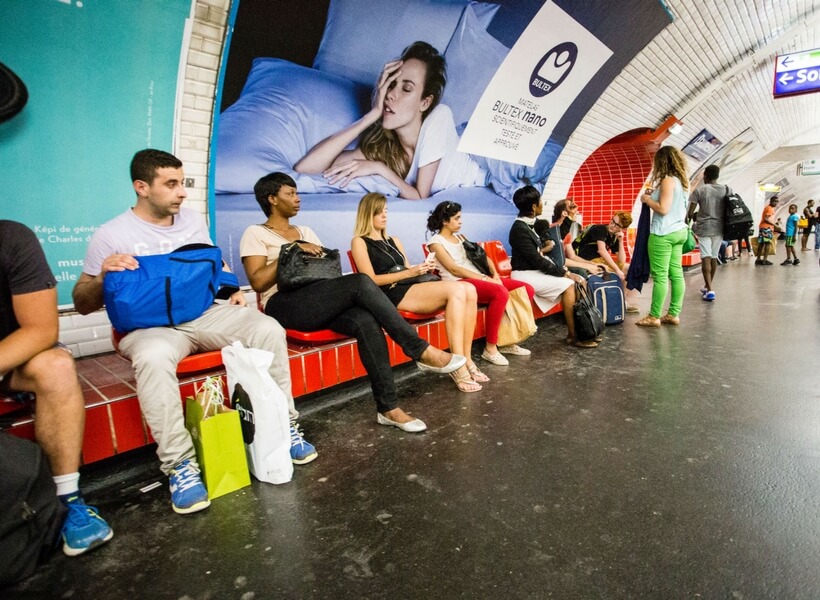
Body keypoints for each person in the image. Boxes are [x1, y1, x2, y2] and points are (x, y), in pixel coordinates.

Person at [73, 150, 317, 516]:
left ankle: (286, 427)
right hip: (149, 327)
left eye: (182, 183)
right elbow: (82, 302)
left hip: (204, 315)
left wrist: (230, 289)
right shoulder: (111, 234)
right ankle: (180, 466)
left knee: (267, 328)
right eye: (171, 184)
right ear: (142, 187)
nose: (182, 192)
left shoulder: (191, 222)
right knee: (153, 358)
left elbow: (212, 267)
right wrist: (105, 275)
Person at [240, 174, 465, 433]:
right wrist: (290, 250)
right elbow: (257, 282)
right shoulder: (255, 233)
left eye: (296, 192)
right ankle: (419, 350)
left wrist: (307, 249)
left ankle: (388, 409)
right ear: (271, 199)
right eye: (290, 193)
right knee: (359, 280)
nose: (297, 198)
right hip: (283, 304)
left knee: (366, 321)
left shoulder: (306, 232)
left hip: (317, 298)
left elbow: (321, 270)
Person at [1, 221, 113, 556]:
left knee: (58, 365)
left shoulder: (11, 238)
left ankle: (67, 501)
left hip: (12, 355)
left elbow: (41, 330)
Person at [294, 41, 486, 199]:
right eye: (391, 84)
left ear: (425, 103)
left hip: (488, 170)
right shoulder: (385, 148)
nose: (391, 95)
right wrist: (371, 116)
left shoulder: (439, 117)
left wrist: (379, 169)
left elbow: (420, 197)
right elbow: (306, 168)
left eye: (407, 88)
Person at [351, 193, 484, 391]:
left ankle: (467, 359)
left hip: (409, 285)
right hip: (388, 293)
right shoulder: (359, 241)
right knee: (457, 289)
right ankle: (457, 368)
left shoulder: (393, 240)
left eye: (386, 211)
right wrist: (411, 272)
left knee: (470, 289)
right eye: (379, 212)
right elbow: (369, 281)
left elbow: (406, 270)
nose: (384, 216)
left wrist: (422, 268)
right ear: (367, 214)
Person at [426, 200, 535, 366]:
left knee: (525, 289)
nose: (460, 221)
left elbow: (483, 257)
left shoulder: (461, 237)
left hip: (478, 277)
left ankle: (507, 341)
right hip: (459, 282)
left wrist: (495, 275)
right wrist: (486, 279)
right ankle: (490, 349)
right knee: (500, 293)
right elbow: (454, 269)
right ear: (444, 221)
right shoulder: (436, 242)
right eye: (456, 218)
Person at [508, 186, 597, 348]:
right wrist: (565, 273)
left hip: (536, 271)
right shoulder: (518, 230)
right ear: (534, 206)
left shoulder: (534, 224)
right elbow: (537, 261)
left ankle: (585, 330)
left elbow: (558, 236)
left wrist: (570, 216)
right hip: (524, 274)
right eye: (541, 202)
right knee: (570, 284)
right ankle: (573, 335)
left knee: (578, 281)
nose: (543, 204)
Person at [636, 146, 690, 327]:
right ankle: (674, 313)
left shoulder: (668, 180)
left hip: (663, 233)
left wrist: (647, 200)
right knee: (676, 274)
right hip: (679, 232)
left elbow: (663, 209)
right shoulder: (683, 182)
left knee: (660, 276)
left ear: (662, 161)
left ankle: (654, 316)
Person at [686, 164, 725, 302]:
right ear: (718, 176)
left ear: (705, 176)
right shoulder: (727, 189)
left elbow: (690, 213)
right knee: (713, 257)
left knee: (705, 258)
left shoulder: (700, 190)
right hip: (720, 228)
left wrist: (687, 224)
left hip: (704, 228)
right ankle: (708, 287)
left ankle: (709, 289)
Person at [755, 196, 779, 266]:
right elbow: (766, 219)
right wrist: (775, 225)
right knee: (767, 243)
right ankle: (765, 260)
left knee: (761, 243)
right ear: (771, 201)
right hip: (767, 228)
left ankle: (758, 259)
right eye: (775, 201)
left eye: (777, 201)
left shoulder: (767, 207)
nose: (776, 203)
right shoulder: (770, 209)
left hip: (763, 227)